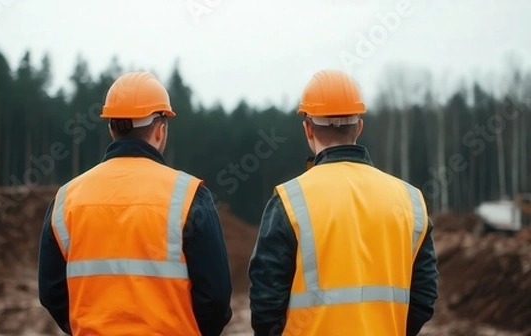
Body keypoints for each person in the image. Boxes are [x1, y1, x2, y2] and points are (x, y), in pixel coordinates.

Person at [38, 72, 233, 336]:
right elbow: (216, 297)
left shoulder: (67, 198)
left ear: (111, 128)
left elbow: (51, 291)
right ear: (161, 129)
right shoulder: (189, 195)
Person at [248, 70, 438, 336]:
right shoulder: (410, 200)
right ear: (359, 126)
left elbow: (266, 302)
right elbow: (424, 295)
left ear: (308, 128)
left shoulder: (290, 200)